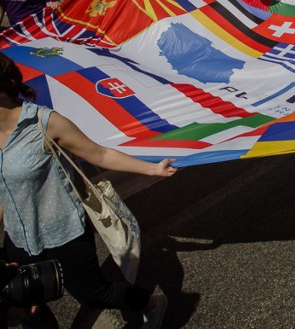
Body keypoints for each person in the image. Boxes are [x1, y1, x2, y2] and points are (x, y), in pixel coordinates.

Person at [0, 51, 177, 328]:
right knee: (25, 305)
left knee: (95, 295)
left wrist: (153, 169)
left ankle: (152, 303)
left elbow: (100, 155)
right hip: (19, 239)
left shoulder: (43, 124)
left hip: (63, 233)